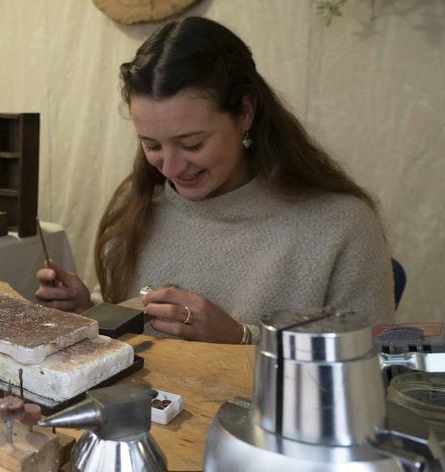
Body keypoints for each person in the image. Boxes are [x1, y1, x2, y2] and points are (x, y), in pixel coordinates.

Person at [35, 16, 394, 344]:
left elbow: (371, 360)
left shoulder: (340, 225)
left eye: (192, 144)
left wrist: (243, 339)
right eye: (152, 145)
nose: (170, 168)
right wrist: (90, 313)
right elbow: (128, 327)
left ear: (246, 112)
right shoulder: (141, 204)